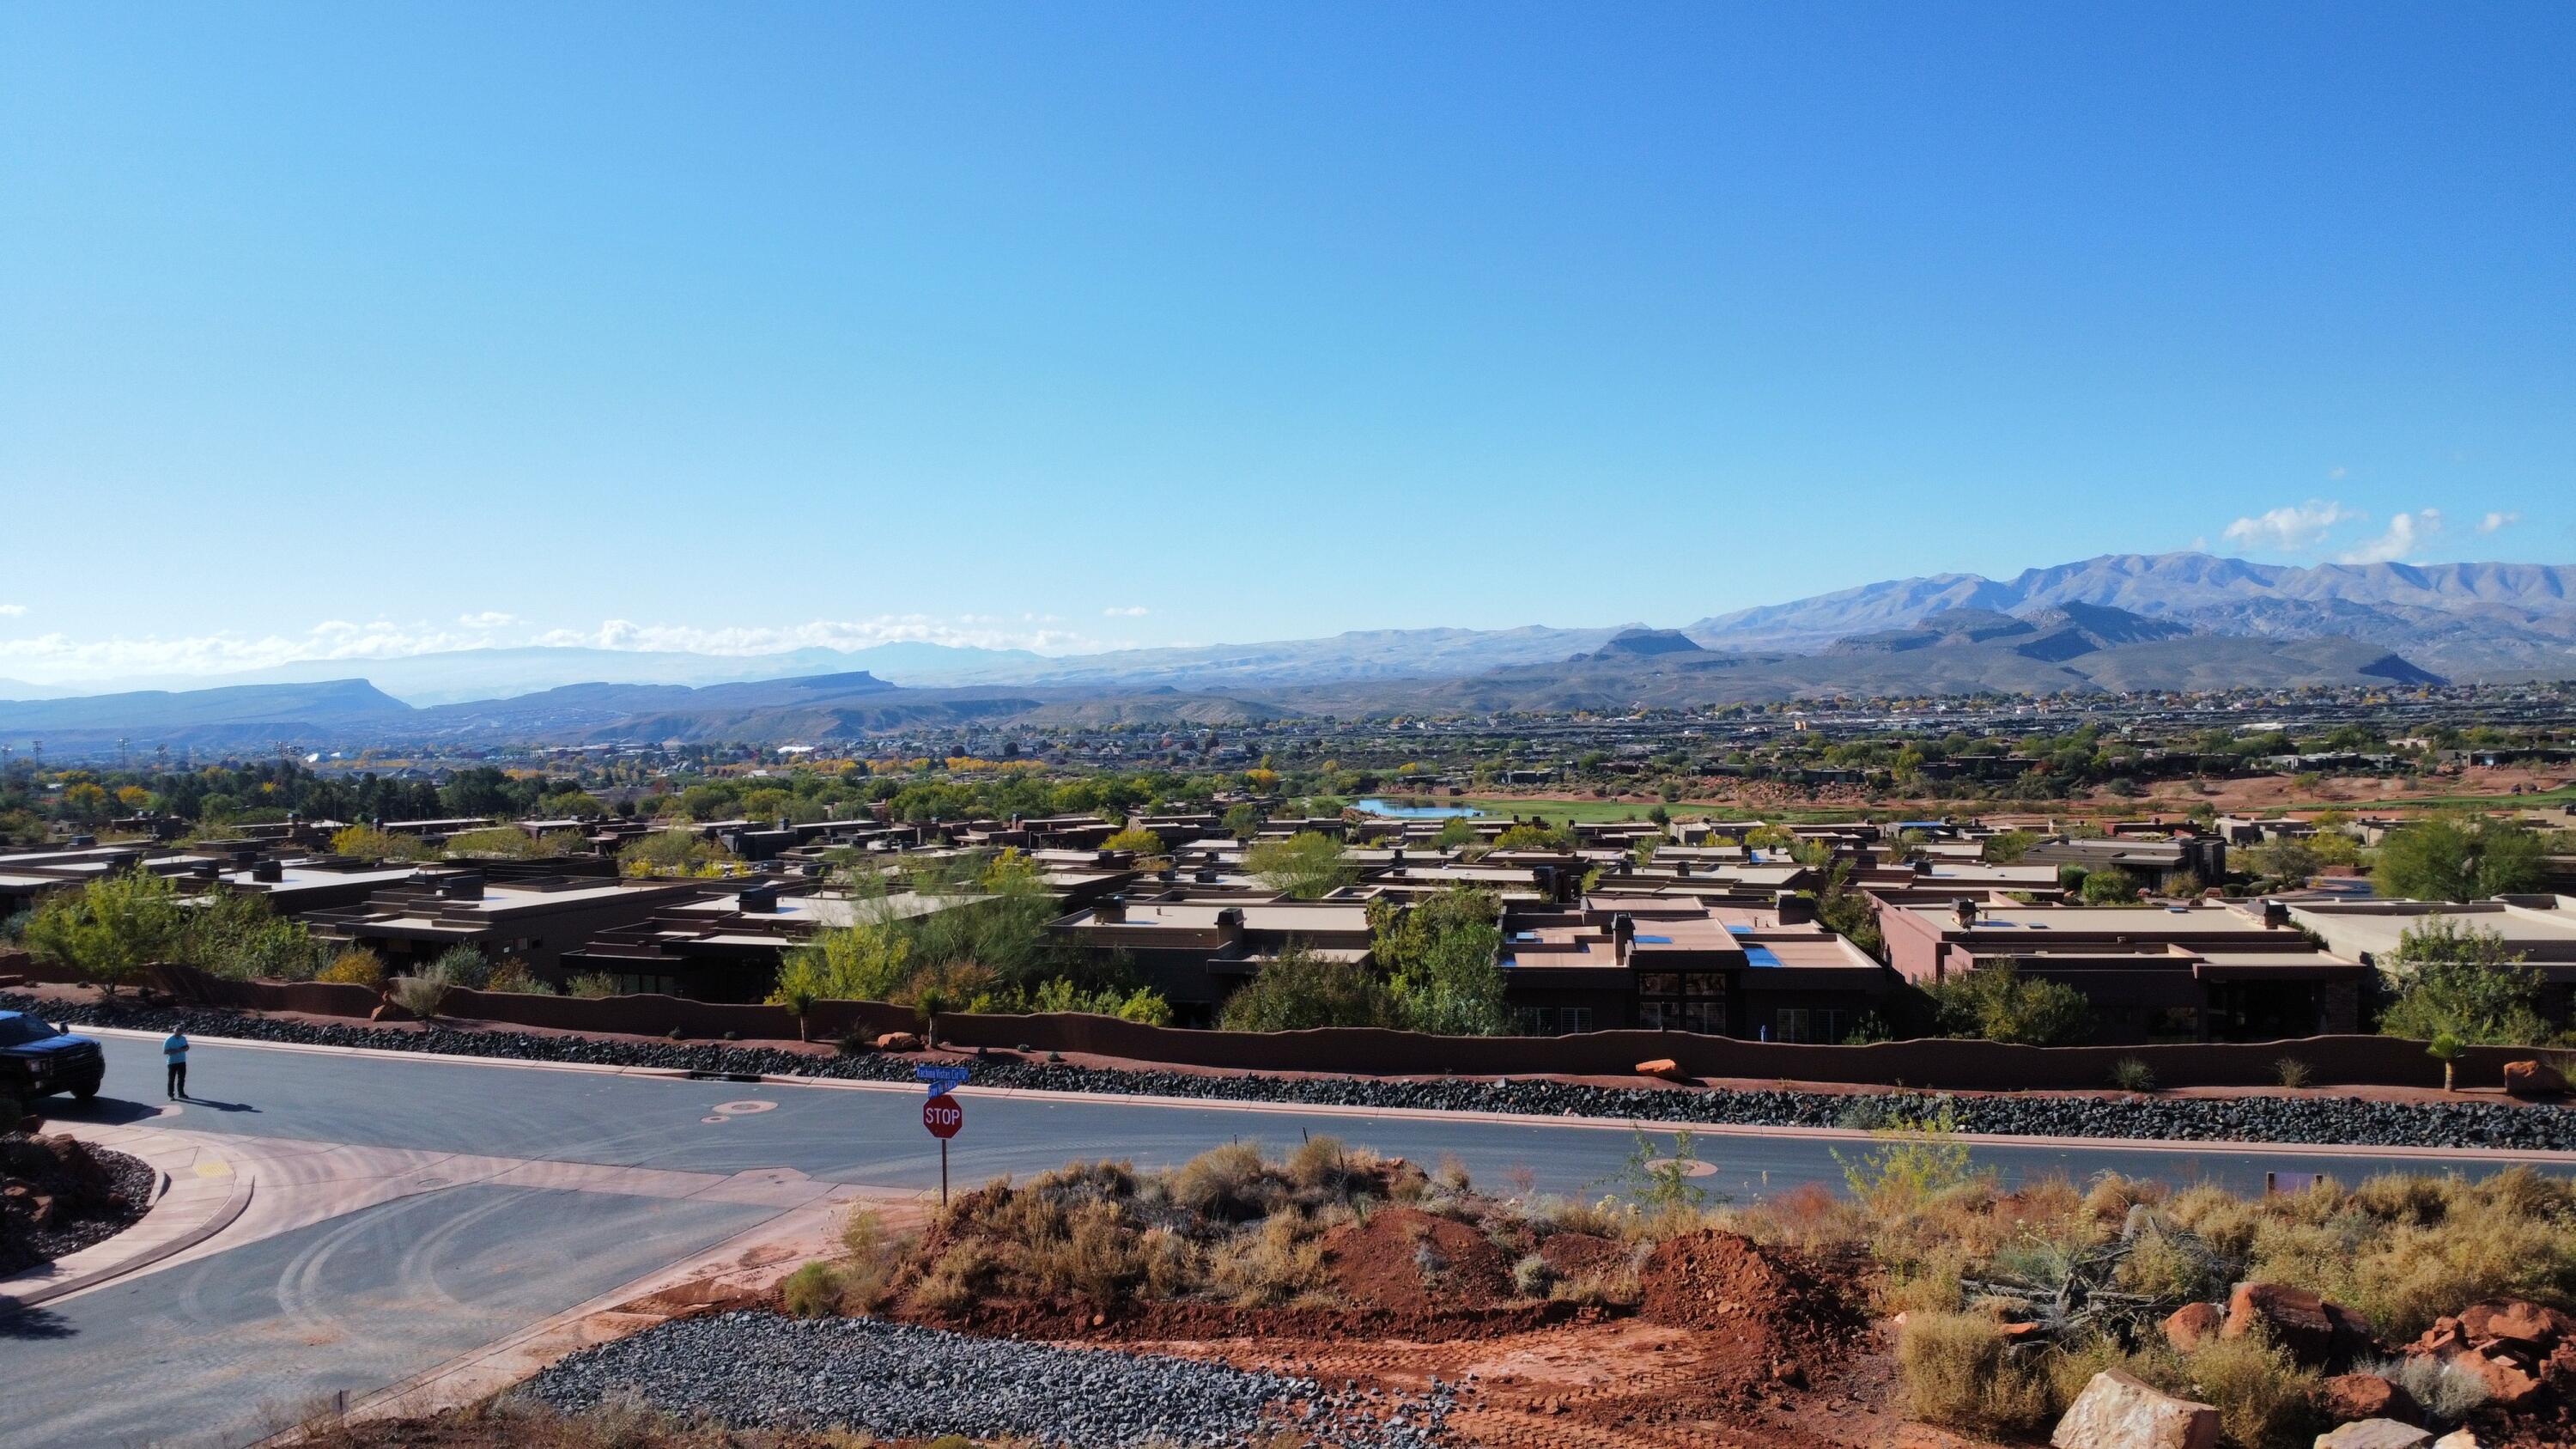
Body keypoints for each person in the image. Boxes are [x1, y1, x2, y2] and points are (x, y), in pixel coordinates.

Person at [164, 1030, 189, 1100]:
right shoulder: (169, 1040)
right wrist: (178, 1050)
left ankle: (181, 1094)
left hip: (182, 1061)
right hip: (172, 1062)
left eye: (180, 1032)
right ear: (174, 1032)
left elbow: (187, 1047)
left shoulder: (183, 1038)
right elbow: (165, 1052)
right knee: (171, 1079)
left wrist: (186, 1048)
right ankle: (171, 1095)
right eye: (178, 1032)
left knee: (181, 1079)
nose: (179, 1033)